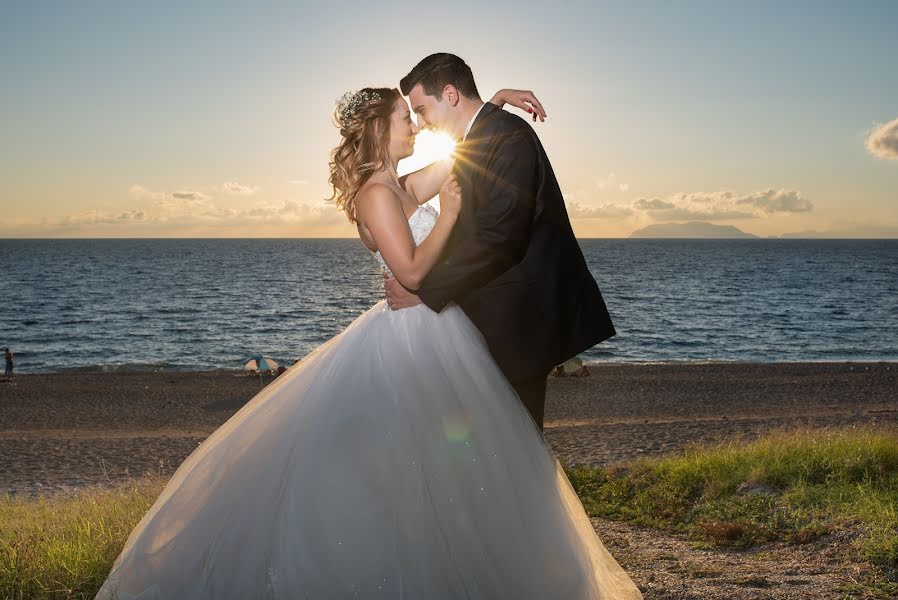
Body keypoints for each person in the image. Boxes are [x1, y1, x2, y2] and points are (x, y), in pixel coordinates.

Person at [95, 82, 641, 599]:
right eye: (406, 119)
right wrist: (449, 216)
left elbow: (462, 154)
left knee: (455, 467)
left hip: (440, 332)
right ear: (379, 128)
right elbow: (411, 274)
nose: (415, 128)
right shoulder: (376, 196)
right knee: (409, 465)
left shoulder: (399, 186)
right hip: (413, 335)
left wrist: (490, 105)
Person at [385, 53, 615, 431]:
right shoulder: (485, 134)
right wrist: (496, 98)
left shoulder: (508, 136)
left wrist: (424, 291)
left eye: (423, 110)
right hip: (498, 314)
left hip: (520, 321)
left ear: (450, 94)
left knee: (516, 443)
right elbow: (471, 150)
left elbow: (499, 237)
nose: (422, 124)